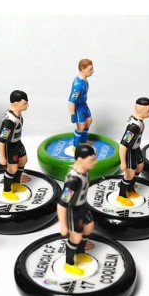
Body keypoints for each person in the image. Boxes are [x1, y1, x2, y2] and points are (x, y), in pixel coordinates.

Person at [57, 143, 98, 277]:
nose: (95, 163)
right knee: (76, 237)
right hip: (73, 210)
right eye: (91, 160)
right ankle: (69, 263)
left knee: (89, 227)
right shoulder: (73, 181)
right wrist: (63, 226)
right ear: (80, 159)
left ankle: (80, 252)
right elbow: (62, 204)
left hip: (83, 206)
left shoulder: (84, 172)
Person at [117, 97, 149, 206]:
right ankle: (122, 195)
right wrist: (123, 162)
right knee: (130, 173)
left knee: (140, 166)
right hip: (130, 151)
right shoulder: (134, 127)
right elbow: (123, 145)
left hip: (136, 148)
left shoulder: (139, 121)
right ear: (141, 110)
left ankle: (131, 188)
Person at [0, 90, 29, 201]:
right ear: (16, 103)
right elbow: (1, 140)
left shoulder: (18, 114)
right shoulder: (9, 122)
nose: (27, 105)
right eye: (25, 103)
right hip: (10, 146)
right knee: (12, 169)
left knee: (23, 161)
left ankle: (16, 183)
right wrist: (2, 157)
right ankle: (6, 190)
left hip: (17, 142)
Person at [68, 58, 94, 148]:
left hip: (84, 104)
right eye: (90, 69)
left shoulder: (84, 80)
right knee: (81, 126)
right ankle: (75, 146)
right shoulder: (78, 85)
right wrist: (72, 114)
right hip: (78, 107)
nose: (92, 71)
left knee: (89, 121)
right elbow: (71, 101)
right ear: (82, 69)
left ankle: (83, 141)